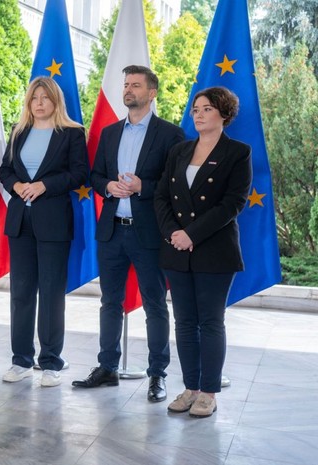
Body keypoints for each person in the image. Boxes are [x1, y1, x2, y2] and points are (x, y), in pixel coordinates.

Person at [73, 65, 184, 402]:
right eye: (126, 85)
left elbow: (175, 184)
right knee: (110, 302)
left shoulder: (171, 135)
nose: (128, 90)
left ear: (152, 93)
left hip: (148, 233)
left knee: (155, 304)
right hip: (111, 232)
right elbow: (95, 176)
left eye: (136, 85)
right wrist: (107, 186)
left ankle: (157, 374)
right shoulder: (109, 133)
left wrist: (142, 187)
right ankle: (107, 367)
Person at [155, 87, 251, 418]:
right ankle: (190, 388)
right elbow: (162, 196)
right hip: (177, 249)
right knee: (184, 321)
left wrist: (191, 234)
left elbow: (233, 203)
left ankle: (208, 392)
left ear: (224, 113)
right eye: (195, 109)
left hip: (215, 250)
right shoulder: (179, 151)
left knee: (210, 321)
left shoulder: (238, 152)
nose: (198, 114)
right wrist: (173, 233)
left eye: (206, 109)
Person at [0, 77, 89, 387]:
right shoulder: (18, 131)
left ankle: (50, 362)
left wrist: (44, 185)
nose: (39, 103)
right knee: (21, 293)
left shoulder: (72, 133)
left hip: (54, 222)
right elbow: (5, 170)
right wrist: (17, 185)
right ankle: (21, 360)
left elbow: (80, 173)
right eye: (34, 98)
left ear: (55, 101)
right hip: (20, 222)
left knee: (51, 293)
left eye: (45, 98)